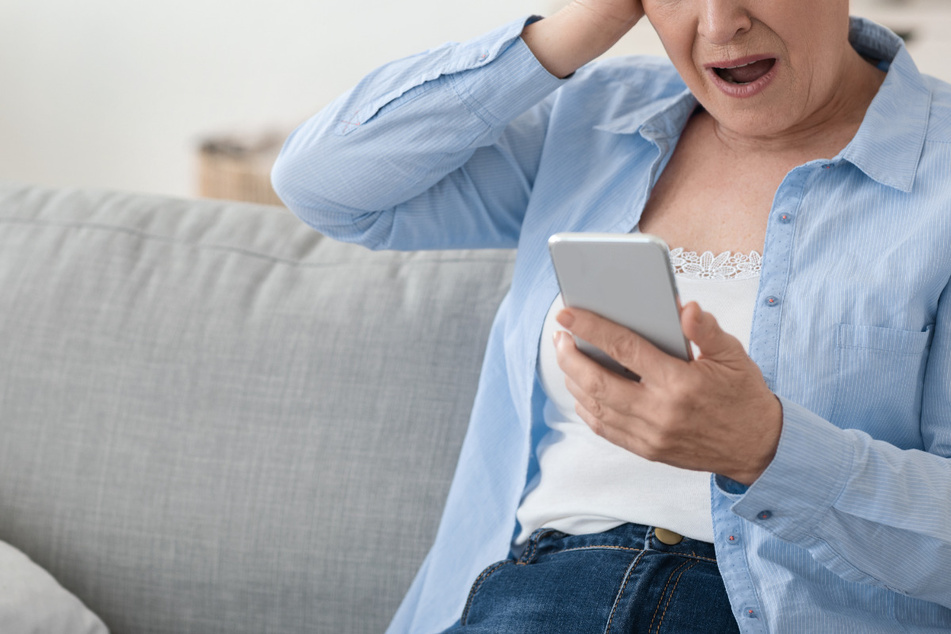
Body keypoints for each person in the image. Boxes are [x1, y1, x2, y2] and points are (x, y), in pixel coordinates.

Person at [271, 0, 951, 630]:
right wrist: (575, 29)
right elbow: (325, 185)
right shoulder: (595, 118)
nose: (717, 24)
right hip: (540, 590)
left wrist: (765, 448)